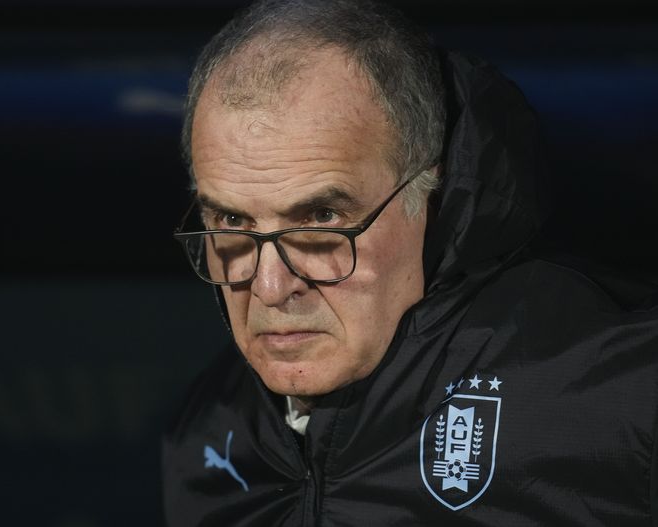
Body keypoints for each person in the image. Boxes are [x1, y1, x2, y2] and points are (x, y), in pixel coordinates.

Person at [162, 0, 658, 524]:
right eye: (234, 223)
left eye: (321, 218)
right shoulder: (206, 429)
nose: (269, 285)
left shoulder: (621, 395)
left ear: (431, 194)